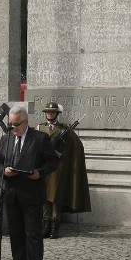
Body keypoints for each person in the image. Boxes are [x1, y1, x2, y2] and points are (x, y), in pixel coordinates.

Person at [0, 105, 59, 260]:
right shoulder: (6, 139)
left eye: (16, 124)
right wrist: (3, 171)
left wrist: (40, 172)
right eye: (10, 124)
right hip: (11, 193)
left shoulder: (40, 138)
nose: (13, 128)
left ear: (26, 122)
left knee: (33, 234)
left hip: (31, 193)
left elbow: (53, 161)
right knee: (15, 233)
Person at [38, 102, 90, 239]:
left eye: (52, 112)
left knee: (55, 196)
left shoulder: (64, 129)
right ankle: (46, 225)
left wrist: (62, 154)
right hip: (43, 166)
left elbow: (77, 146)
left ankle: (55, 226)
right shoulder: (39, 127)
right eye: (48, 112)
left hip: (57, 167)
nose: (50, 114)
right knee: (44, 196)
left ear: (57, 114)